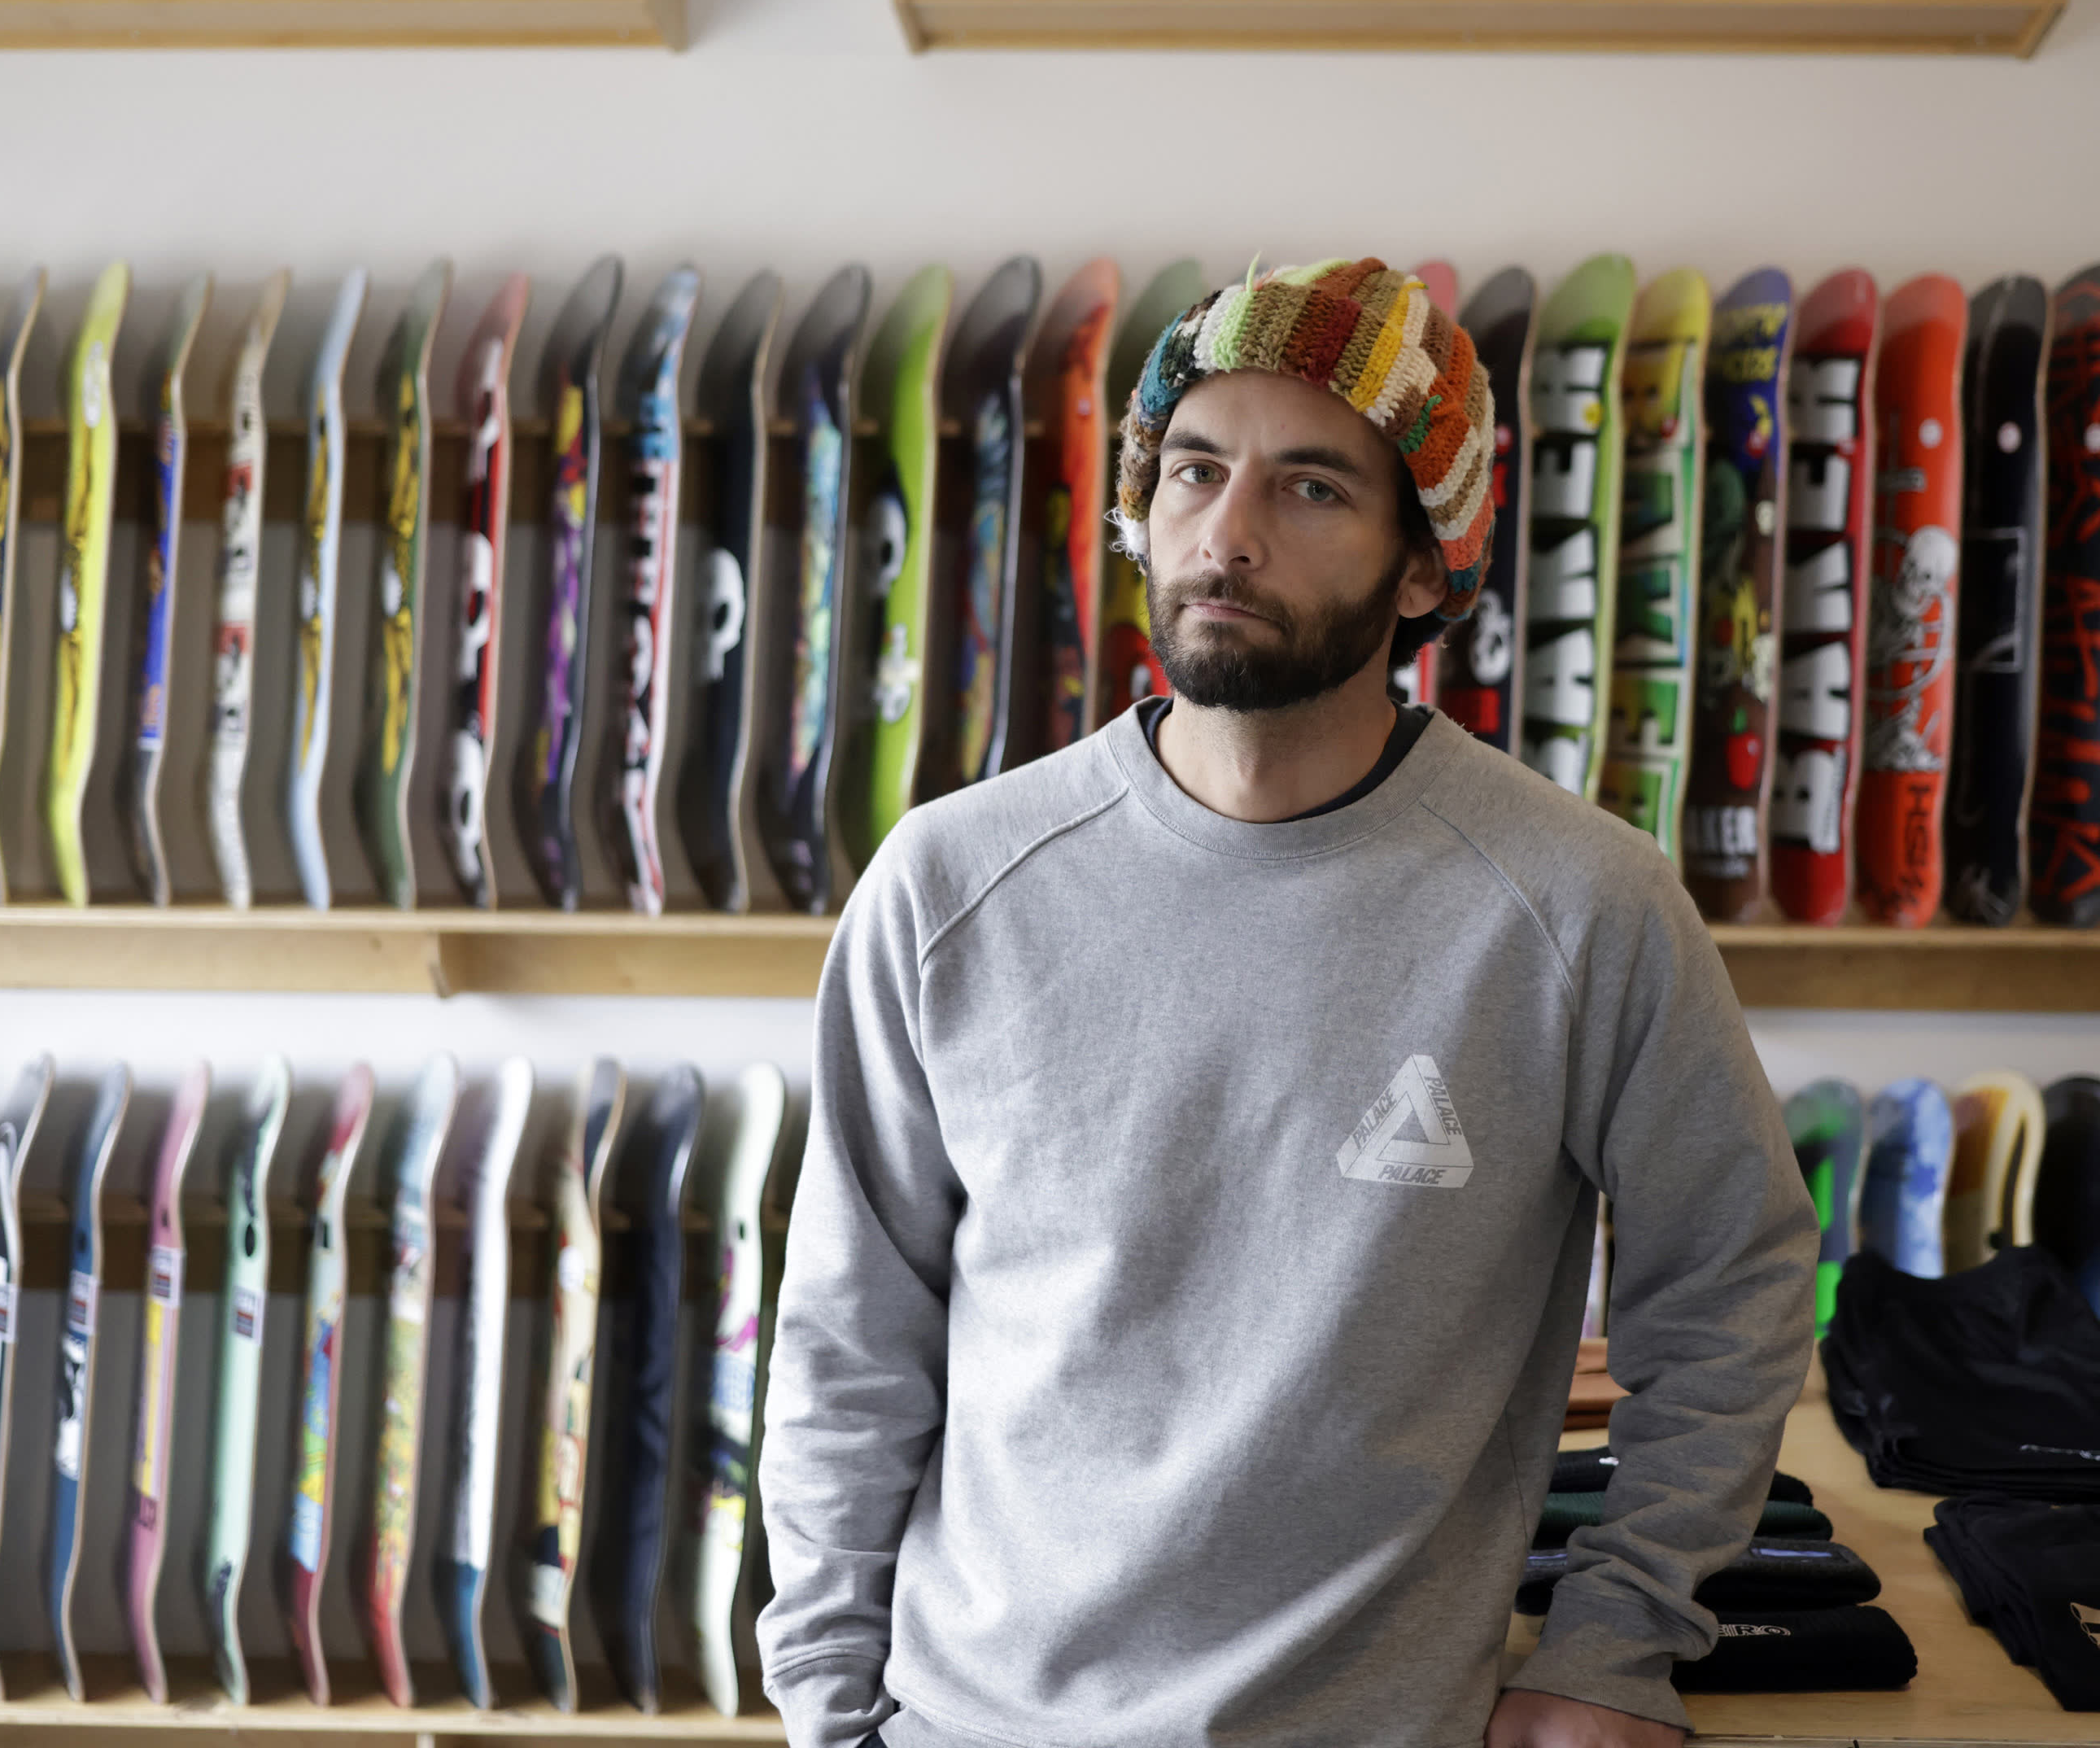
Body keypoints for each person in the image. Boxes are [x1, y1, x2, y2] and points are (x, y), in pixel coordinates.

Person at [759, 259, 1818, 1748]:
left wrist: (1613, 1645)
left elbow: (1733, 1287)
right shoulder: (952, 884)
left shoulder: (1581, 906)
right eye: (1194, 470)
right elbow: (848, 1339)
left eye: (1312, 488)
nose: (1229, 534)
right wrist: (825, 1706)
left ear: (1425, 568)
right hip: (970, 1720)